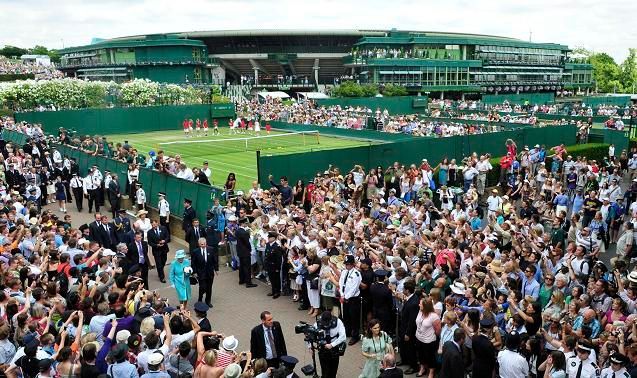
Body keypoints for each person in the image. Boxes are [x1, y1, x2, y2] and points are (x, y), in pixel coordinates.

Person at [313, 311, 346, 378]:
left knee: (333, 370)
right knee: (325, 371)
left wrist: (332, 345)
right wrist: (310, 347)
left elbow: (343, 336)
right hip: (323, 349)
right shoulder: (317, 323)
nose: (325, 325)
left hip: (334, 349)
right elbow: (310, 335)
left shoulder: (338, 322)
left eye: (327, 323)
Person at [339, 254, 362, 345]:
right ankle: (347, 331)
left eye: (348, 264)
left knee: (354, 318)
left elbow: (354, 288)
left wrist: (346, 297)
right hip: (344, 297)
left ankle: (355, 335)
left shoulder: (356, 274)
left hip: (353, 299)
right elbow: (341, 283)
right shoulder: (344, 272)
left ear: (353, 264)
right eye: (346, 264)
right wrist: (342, 294)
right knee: (346, 316)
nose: (347, 266)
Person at [398, 280, 419, 375]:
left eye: (403, 289)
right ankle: (404, 360)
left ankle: (413, 366)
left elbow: (412, 320)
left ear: (407, 290)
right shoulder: (410, 298)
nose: (402, 290)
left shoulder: (414, 302)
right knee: (403, 345)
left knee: (410, 348)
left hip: (408, 329)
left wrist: (408, 333)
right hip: (403, 327)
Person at [192, 237, 218, 307]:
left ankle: (208, 301)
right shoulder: (195, 252)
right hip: (201, 273)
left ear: (206, 243)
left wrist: (216, 269)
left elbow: (214, 260)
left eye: (204, 244)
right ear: (199, 244)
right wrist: (194, 272)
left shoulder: (211, 249)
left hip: (209, 272)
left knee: (209, 287)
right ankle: (200, 300)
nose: (203, 246)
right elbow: (193, 263)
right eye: (201, 244)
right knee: (202, 287)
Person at [147, 218, 170, 283]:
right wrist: (156, 245)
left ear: (157, 223)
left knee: (163, 262)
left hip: (164, 249)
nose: (154, 226)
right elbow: (150, 242)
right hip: (156, 251)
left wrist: (164, 241)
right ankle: (161, 277)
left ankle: (160, 270)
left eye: (155, 224)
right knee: (159, 264)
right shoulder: (149, 232)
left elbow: (167, 237)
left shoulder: (163, 228)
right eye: (152, 225)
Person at [236, 217, 257, 288]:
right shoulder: (244, 233)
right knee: (247, 267)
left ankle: (241, 280)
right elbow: (247, 243)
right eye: (246, 223)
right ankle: (248, 282)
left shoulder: (238, 231)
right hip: (245, 252)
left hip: (240, 252)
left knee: (241, 266)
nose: (246, 224)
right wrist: (250, 249)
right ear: (243, 223)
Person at [264, 231, 284, 298]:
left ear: (274, 238)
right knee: (271, 279)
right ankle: (273, 291)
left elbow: (279, 259)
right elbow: (266, 256)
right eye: (268, 237)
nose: (268, 238)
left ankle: (277, 292)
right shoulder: (267, 245)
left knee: (276, 279)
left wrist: (277, 268)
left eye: (269, 237)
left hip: (274, 266)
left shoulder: (277, 247)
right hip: (269, 265)